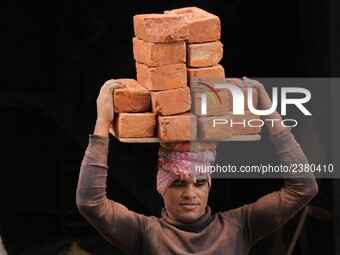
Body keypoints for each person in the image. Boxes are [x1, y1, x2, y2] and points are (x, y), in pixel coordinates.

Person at [76, 77, 318, 255]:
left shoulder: (240, 226)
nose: (190, 193)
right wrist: (102, 122)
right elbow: (90, 203)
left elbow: (303, 188)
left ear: (209, 185)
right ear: (162, 185)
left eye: (200, 183)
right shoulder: (143, 233)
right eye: (179, 182)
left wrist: (270, 115)